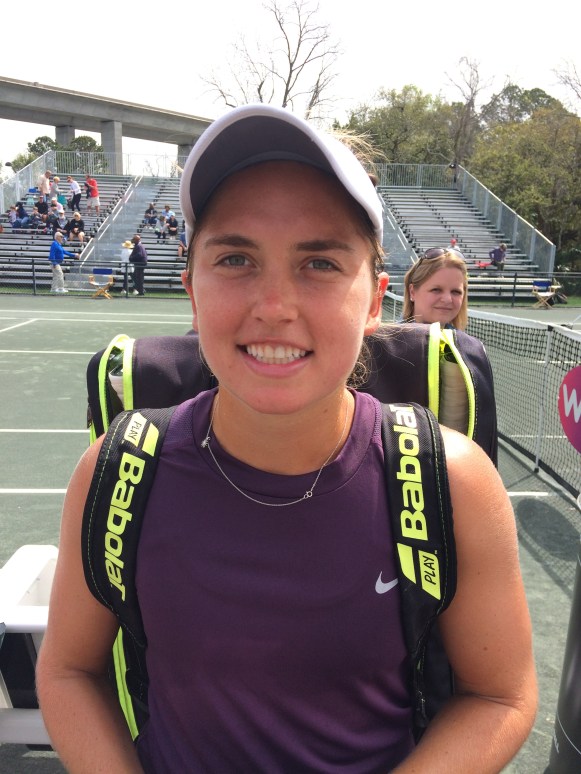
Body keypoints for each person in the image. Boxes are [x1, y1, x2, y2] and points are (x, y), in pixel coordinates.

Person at [37, 104, 536, 773]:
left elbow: (499, 695)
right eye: (236, 257)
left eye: (320, 263)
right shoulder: (119, 471)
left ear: (373, 300)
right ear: (191, 288)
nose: (273, 305)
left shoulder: (451, 480)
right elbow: (68, 670)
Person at [403, 247, 468, 329]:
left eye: (456, 292)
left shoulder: (467, 342)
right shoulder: (387, 340)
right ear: (412, 292)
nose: (447, 299)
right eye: (436, 290)